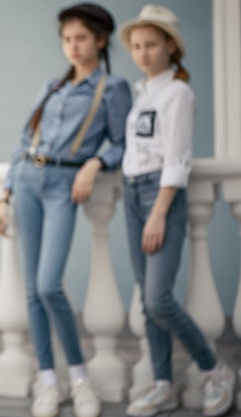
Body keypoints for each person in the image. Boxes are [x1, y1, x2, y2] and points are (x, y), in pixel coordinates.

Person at [0, 3, 131, 417]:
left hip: (64, 186)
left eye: (81, 38)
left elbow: (123, 143)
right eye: (67, 38)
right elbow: (22, 142)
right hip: (28, 182)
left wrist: (95, 163)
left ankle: (81, 379)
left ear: (100, 40)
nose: (73, 45)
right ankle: (49, 382)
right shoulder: (51, 87)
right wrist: (5, 193)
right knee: (34, 291)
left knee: (50, 284)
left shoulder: (112, 88)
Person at [118, 5, 237, 417]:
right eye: (137, 46)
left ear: (170, 46)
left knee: (158, 298)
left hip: (160, 196)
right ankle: (163, 385)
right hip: (133, 194)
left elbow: (177, 159)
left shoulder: (178, 94)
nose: (144, 52)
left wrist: (158, 212)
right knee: (146, 302)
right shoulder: (143, 94)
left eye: (152, 44)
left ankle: (215, 368)